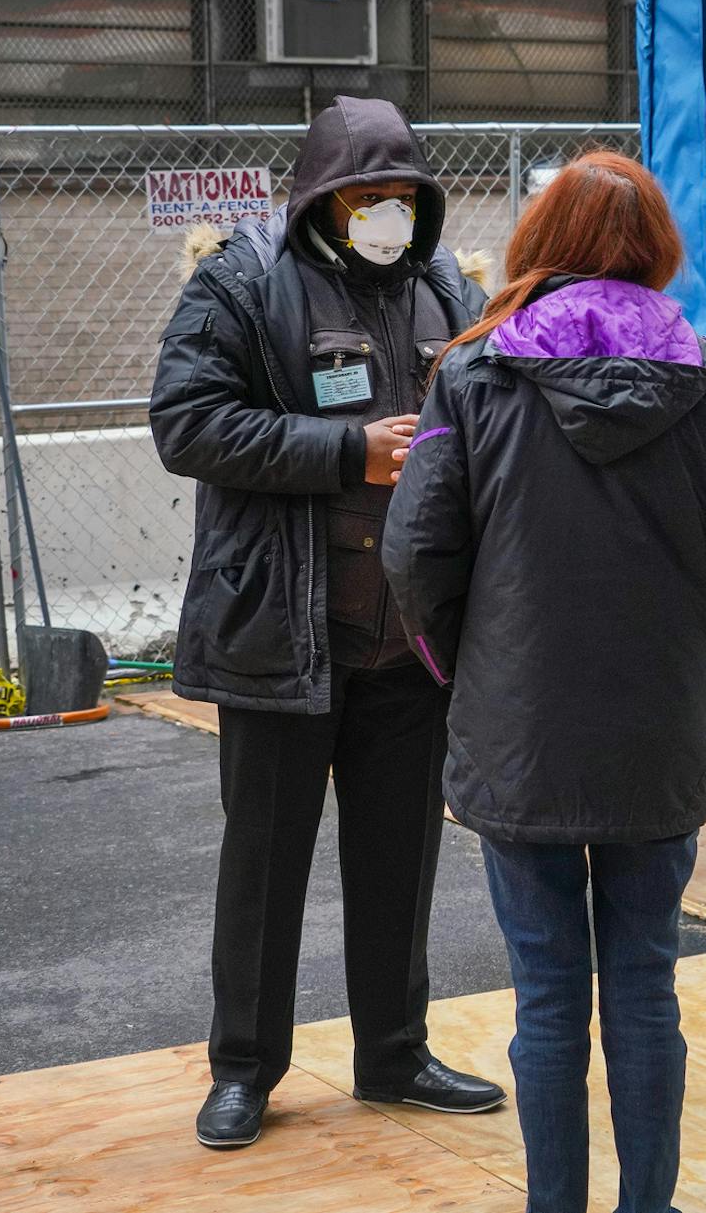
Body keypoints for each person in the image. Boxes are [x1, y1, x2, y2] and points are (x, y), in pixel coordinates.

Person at [383, 151, 706, 1213]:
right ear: (655, 246)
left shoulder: (471, 377)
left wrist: (474, 668)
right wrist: (701, 665)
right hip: (660, 734)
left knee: (548, 998)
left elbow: (415, 558)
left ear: (538, 244)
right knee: (646, 985)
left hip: (520, 737)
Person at [150, 96, 505, 1149]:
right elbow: (187, 420)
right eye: (366, 196)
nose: (386, 213)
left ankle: (393, 1053)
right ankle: (246, 1068)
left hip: (408, 639)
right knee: (266, 858)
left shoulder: (447, 285)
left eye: (403, 196)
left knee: (399, 856)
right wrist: (348, 451)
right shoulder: (243, 279)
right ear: (319, 195)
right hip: (282, 630)